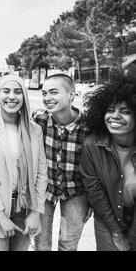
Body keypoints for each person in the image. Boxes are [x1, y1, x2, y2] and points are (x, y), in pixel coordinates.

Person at [0, 75, 47, 251]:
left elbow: (41, 173)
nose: (12, 96)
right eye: (6, 91)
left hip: (25, 210)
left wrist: (36, 212)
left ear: (24, 97)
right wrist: (0, 216)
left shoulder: (34, 130)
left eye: (18, 92)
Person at [32, 74, 91, 251]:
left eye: (54, 92)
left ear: (71, 95)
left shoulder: (88, 126)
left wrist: (92, 201)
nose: (47, 98)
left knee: (67, 243)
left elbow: (96, 166)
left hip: (76, 193)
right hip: (44, 190)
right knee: (41, 243)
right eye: (44, 93)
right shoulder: (38, 119)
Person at [80, 73, 136, 251]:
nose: (115, 116)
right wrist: (116, 233)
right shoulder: (92, 145)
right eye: (110, 110)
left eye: (125, 111)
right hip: (107, 217)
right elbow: (94, 189)